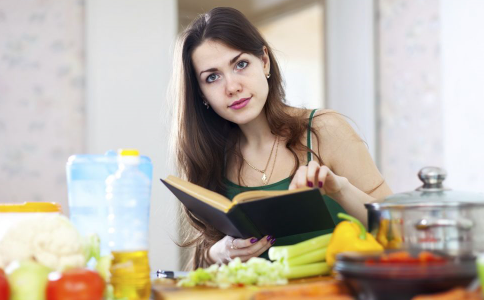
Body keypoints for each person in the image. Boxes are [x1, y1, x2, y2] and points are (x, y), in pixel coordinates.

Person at [171, 7, 392, 269]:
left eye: (241, 64)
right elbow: (199, 272)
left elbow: (396, 230)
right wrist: (217, 253)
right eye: (212, 77)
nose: (232, 87)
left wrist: (341, 189)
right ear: (201, 94)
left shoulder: (324, 130)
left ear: (264, 61)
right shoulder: (210, 158)